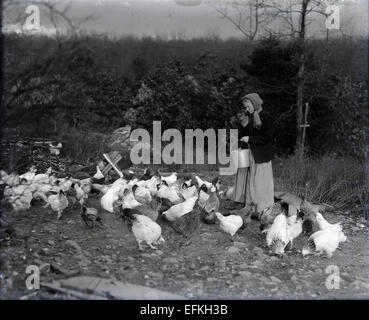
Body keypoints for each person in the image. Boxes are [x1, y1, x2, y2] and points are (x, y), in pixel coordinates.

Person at [231, 93, 275, 217]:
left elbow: (267, 138)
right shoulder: (249, 118)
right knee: (250, 180)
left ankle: (262, 209)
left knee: (260, 183)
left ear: (254, 103)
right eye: (245, 107)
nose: (246, 109)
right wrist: (240, 124)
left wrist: (250, 139)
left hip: (262, 155)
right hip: (251, 154)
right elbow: (242, 134)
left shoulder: (265, 117)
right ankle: (249, 207)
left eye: (247, 105)